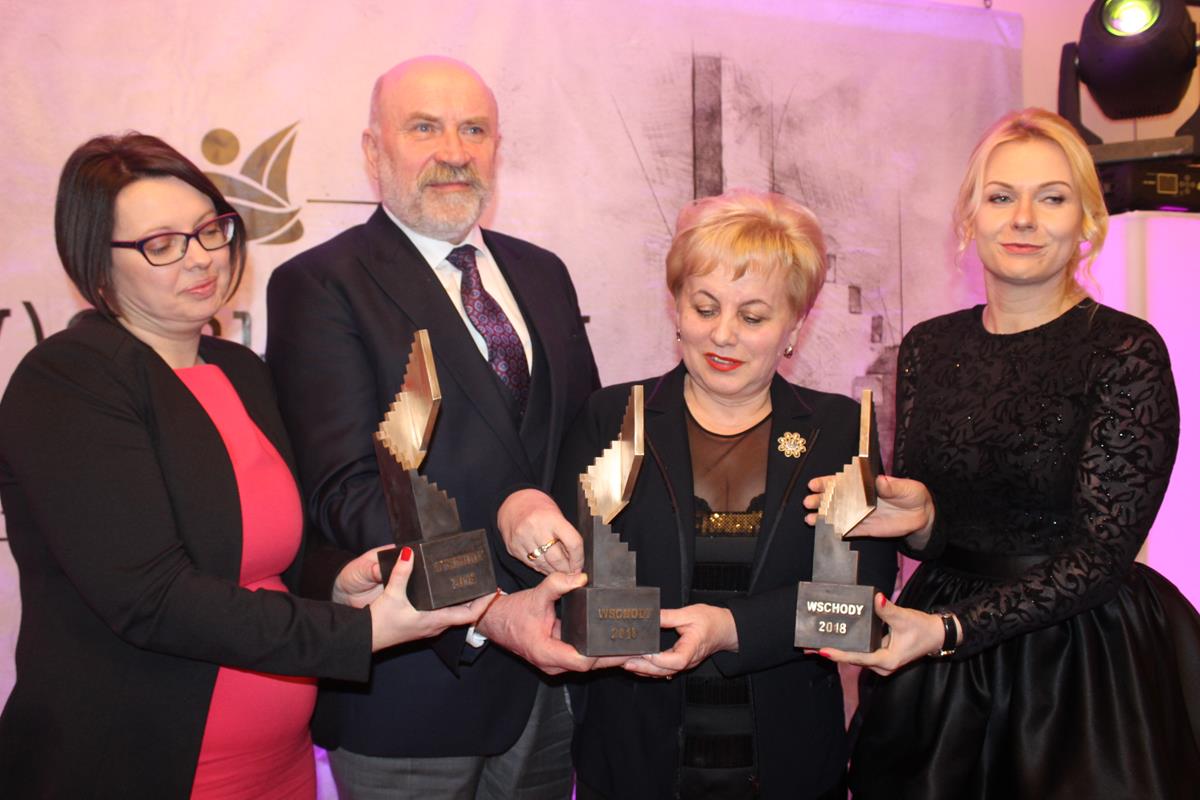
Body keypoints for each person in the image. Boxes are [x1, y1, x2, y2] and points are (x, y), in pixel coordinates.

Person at [0, 133, 487, 799]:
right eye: (162, 243)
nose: (201, 257)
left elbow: (267, 560)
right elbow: (152, 598)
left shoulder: (237, 370)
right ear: (97, 264)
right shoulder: (70, 380)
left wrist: (337, 583)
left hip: (280, 763)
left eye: (210, 230)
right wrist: (361, 630)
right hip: (144, 766)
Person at [813, 108, 1200, 799]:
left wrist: (951, 629)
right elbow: (957, 529)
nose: (1023, 219)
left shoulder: (1124, 352)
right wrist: (924, 520)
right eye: (1001, 197)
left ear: (1086, 220)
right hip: (941, 671)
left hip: (1080, 668)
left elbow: (1100, 556)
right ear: (970, 218)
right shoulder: (930, 347)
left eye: (1051, 198)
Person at [265, 56, 601, 799]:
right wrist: (491, 604)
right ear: (373, 150)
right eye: (424, 128)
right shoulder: (319, 284)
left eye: (474, 130)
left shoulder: (544, 272)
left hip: (550, 686)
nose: (454, 151)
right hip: (412, 692)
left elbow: (581, 445)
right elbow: (348, 493)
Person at [546, 189, 896, 800]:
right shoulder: (612, 417)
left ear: (795, 326)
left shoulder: (839, 430)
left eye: (753, 317)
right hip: (632, 759)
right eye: (704, 307)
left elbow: (860, 602)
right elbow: (569, 581)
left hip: (789, 762)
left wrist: (732, 627)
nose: (723, 334)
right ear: (676, 308)